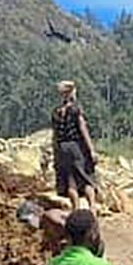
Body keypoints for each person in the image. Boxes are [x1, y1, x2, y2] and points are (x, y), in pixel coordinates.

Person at [51, 81, 98, 210]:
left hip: (62, 148)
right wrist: (91, 150)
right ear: (71, 93)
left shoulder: (56, 111)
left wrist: (56, 155)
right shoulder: (75, 110)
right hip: (76, 147)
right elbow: (83, 130)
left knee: (70, 180)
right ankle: (92, 209)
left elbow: (55, 136)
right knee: (86, 178)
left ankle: (75, 209)